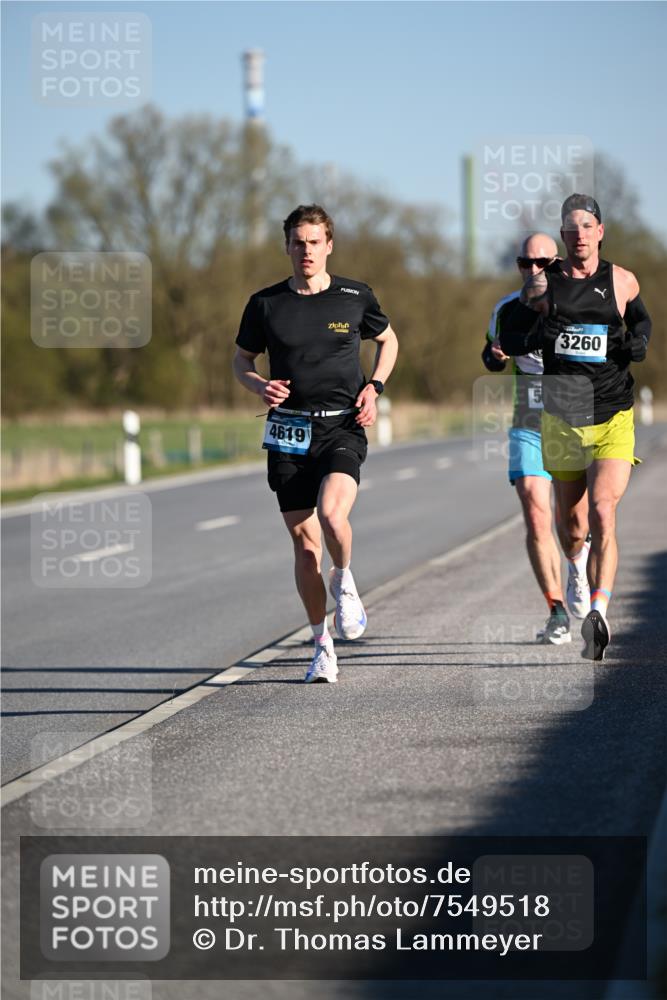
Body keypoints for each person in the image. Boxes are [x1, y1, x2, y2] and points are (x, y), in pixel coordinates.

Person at [233, 204, 398, 683]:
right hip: (287, 431)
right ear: (286, 246)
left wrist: (376, 387)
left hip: (341, 425)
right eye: (297, 242)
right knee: (305, 549)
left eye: (313, 242)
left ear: (329, 245)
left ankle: (344, 580)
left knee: (332, 514)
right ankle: (321, 644)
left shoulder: (355, 296)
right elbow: (241, 361)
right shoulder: (265, 304)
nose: (305, 250)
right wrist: (258, 385)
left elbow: (388, 342)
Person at [499, 194, 651, 660]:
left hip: (612, 415)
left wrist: (638, 342)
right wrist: (537, 336)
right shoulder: (544, 285)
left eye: (587, 225)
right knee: (572, 527)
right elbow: (510, 335)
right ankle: (576, 567)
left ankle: (599, 613)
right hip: (562, 415)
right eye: (571, 228)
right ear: (563, 238)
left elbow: (641, 320)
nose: (580, 234)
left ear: (600, 231)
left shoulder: (622, 280)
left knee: (604, 511)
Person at [482, 233, 590, 645]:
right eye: (524, 263)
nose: (532, 270)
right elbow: (491, 353)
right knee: (533, 505)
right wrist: (493, 357)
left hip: (573, 419)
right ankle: (556, 610)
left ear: (556, 262)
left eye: (541, 262)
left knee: (573, 523)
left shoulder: (580, 302)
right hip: (528, 420)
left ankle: (577, 564)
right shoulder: (506, 308)